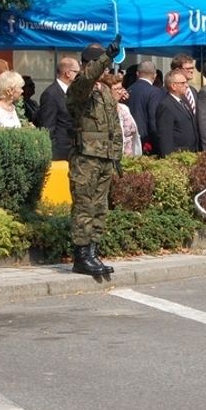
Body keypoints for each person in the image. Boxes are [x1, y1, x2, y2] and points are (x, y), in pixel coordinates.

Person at [67, 39, 123, 277]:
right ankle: (81, 256)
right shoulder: (80, 88)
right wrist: (106, 56)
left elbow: (114, 126)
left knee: (99, 208)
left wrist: (117, 155)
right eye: (102, 63)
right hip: (86, 158)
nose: (107, 68)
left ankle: (93, 251)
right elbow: (87, 78)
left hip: (104, 157)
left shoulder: (105, 92)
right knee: (84, 207)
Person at [154, 70, 201, 156]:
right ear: (173, 86)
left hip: (191, 153)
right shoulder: (166, 105)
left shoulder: (184, 101)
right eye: (183, 83)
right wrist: (169, 159)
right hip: (178, 155)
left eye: (186, 82)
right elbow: (165, 137)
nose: (186, 85)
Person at [39, 57, 79, 159]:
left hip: (74, 152)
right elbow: (48, 128)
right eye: (77, 72)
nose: (79, 76)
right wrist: (53, 156)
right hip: (61, 153)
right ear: (68, 73)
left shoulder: (74, 92)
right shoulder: (51, 94)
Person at [126, 60, 162, 153]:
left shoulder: (128, 90)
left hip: (130, 139)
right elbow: (153, 119)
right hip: (147, 141)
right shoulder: (155, 92)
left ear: (137, 74)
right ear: (155, 75)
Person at [113, 74, 142, 156]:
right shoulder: (104, 110)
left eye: (120, 88)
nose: (120, 92)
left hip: (130, 156)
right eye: (116, 89)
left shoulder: (124, 108)